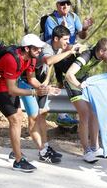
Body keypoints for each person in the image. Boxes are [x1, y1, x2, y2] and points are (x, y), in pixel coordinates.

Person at [13, 25, 80, 163]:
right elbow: (49, 61)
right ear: (56, 39)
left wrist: (47, 85)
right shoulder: (46, 49)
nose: (67, 42)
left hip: (39, 83)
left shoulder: (58, 47)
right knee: (33, 118)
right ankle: (41, 151)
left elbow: (48, 68)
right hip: (26, 83)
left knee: (42, 114)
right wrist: (69, 52)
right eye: (65, 39)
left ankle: (45, 147)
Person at [0, 34, 53, 172]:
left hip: (9, 86)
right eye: (36, 48)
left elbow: (31, 80)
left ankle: (15, 152)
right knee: (15, 120)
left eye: (40, 48)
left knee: (18, 118)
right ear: (27, 48)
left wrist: (43, 88)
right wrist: (35, 93)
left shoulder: (32, 59)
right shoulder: (12, 59)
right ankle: (18, 160)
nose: (39, 51)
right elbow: (12, 90)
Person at [65, 37, 107, 163]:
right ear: (102, 51)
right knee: (84, 114)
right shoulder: (86, 56)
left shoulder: (104, 54)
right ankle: (86, 151)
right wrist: (79, 85)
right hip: (72, 82)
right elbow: (69, 74)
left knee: (95, 112)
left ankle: (95, 148)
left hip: (84, 81)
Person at [44, 0, 94, 126]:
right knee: (67, 79)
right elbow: (53, 41)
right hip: (59, 54)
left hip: (71, 53)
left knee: (75, 76)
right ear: (57, 5)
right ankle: (63, 114)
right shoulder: (51, 20)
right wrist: (63, 29)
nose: (65, 6)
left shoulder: (73, 17)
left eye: (68, 3)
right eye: (62, 3)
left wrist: (84, 28)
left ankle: (66, 114)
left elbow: (82, 35)